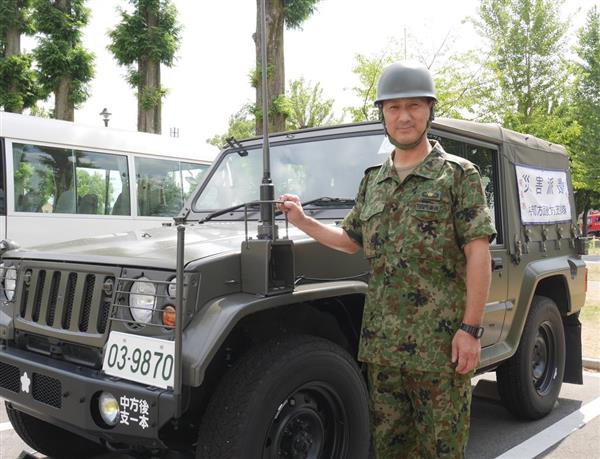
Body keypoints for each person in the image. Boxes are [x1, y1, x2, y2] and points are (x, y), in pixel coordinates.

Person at [277, 61, 496, 458]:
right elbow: (350, 241)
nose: (404, 116)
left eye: (414, 105)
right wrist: (303, 221)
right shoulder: (372, 181)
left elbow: (477, 253)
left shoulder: (458, 176)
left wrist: (471, 329)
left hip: (440, 349)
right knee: (390, 450)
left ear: (430, 110)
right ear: (383, 115)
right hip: (383, 350)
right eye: (393, 108)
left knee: (441, 450)